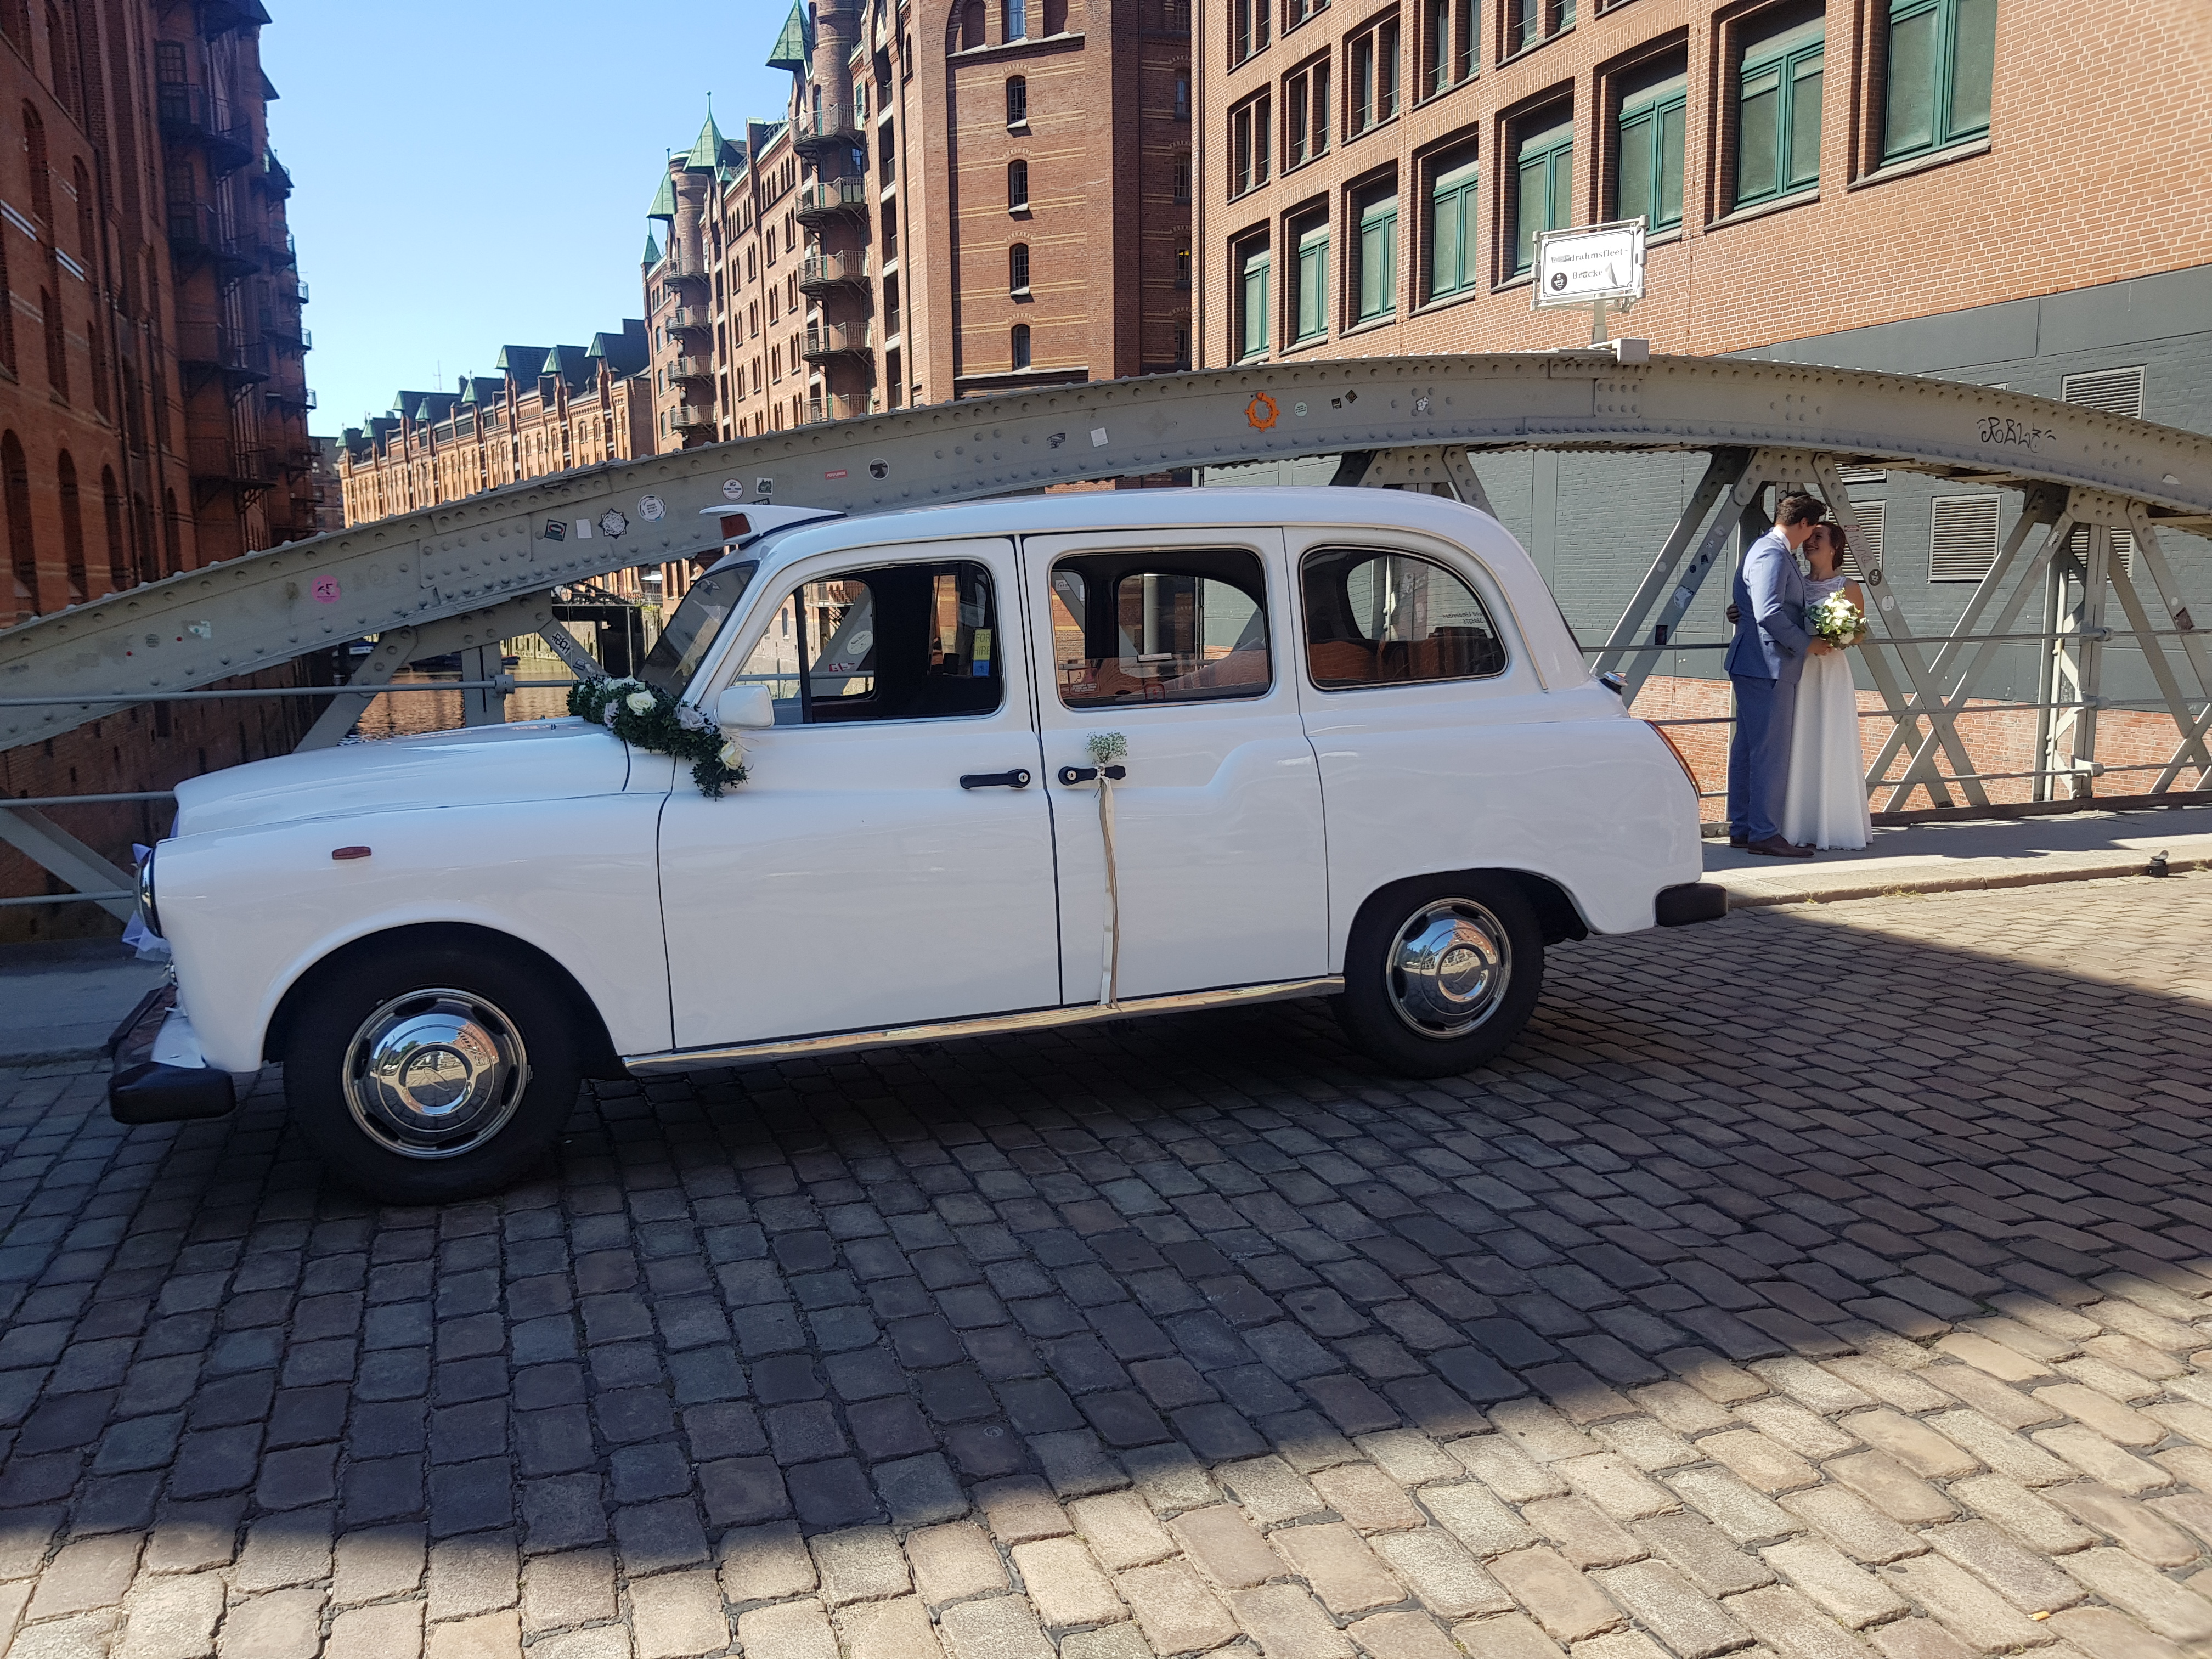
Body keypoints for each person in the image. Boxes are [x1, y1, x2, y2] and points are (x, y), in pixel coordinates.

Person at [1724, 493, 1829, 857]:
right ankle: (1764, 833)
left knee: (1749, 750)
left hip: (1754, 662)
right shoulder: (1772, 552)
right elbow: (1769, 612)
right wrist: (1807, 644)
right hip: (1768, 663)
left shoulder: (1763, 549)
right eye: (1813, 528)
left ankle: (1743, 827)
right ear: (1804, 524)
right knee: (1769, 753)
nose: (1812, 535)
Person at [1780, 522, 1874, 850]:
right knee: (1799, 738)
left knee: (1832, 738)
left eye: (1818, 537)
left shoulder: (1848, 586)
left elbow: (1859, 633)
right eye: (1809, 537)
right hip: (1801, 668)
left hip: (1830, 668)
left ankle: (1835, 824)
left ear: (1834, 547)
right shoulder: (1796, 584)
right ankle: (1798, 823)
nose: (1810, 543)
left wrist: (1839, 634)